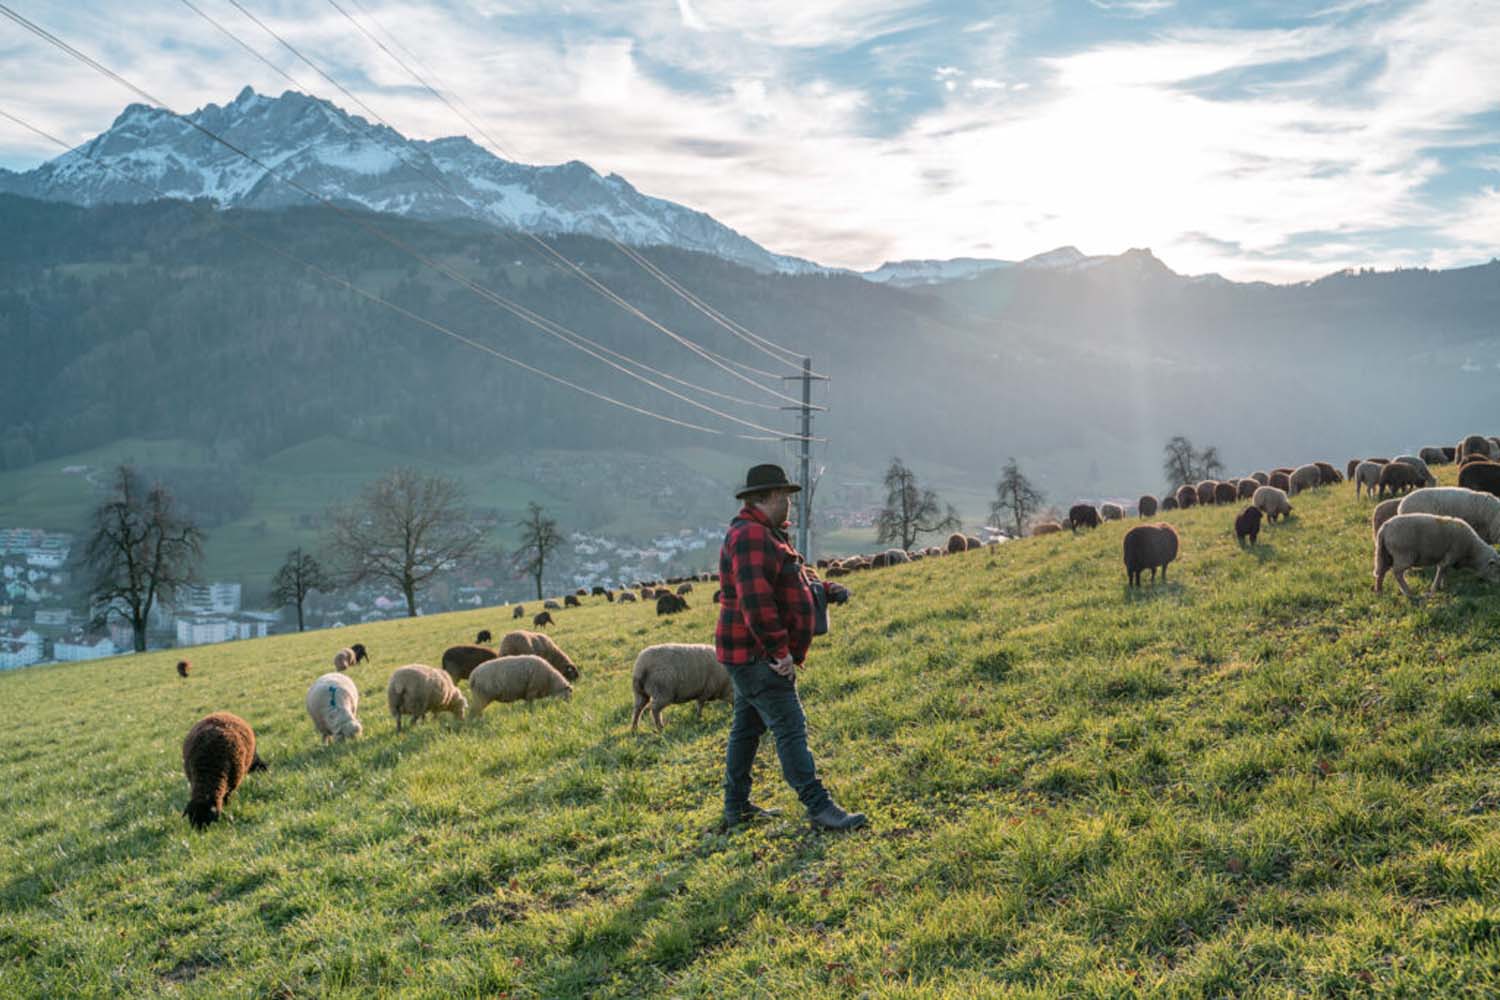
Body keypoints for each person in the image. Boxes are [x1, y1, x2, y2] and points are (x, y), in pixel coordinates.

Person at [716, 463, 865, 832]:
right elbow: (756, 602)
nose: (789, 503)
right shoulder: (751, 536)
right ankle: (820, 807)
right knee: (790, 726)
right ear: (764, 498)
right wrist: (778, 652)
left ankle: (736, 807)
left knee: (746, 730)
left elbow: (793, 578)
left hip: (746, 654)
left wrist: (825, 590)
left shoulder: (769, 534)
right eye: (784, 496)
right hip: (757, 657)